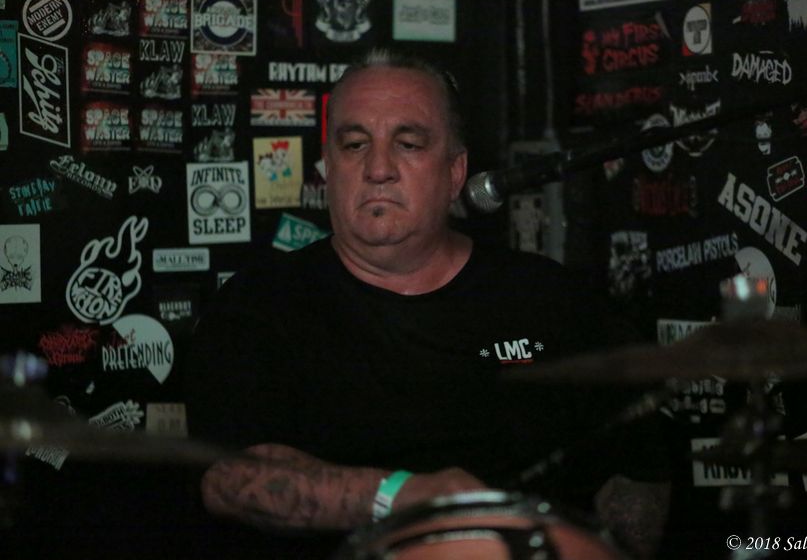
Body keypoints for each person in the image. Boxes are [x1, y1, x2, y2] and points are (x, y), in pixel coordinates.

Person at [184, 48, 670, 559]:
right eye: (354, 145)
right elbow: (230, 479)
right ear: (328, 168)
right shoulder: (260, 304)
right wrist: (406, 497)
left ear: (455, 173)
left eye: (408, 143)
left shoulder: (551, 299)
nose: (378, 169)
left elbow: (637, 470)